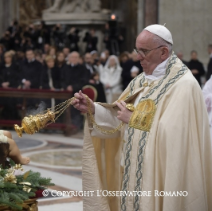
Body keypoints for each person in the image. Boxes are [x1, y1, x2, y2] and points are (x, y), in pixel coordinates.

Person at [72, 24, 211, 211]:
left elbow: (178, 140)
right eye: (137, 50)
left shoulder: (184, 85)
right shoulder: (142, 80)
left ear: (163, 52)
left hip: (158, 178)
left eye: (144, 51)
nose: (138, 57)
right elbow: (121, 117)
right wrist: (94, 108)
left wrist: (135, 119)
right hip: (133, 173)